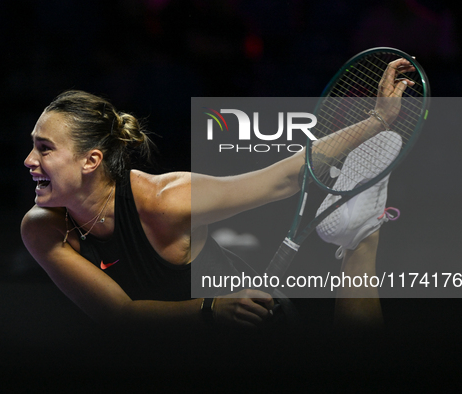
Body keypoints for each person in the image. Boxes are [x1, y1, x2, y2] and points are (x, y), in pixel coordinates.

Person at [21, 58, 414, 332]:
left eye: (45, 148)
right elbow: (119, 316)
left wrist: (377, 120)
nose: (29, 160)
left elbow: (279, 179)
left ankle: (362, 239)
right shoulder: (42, 229)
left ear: (91, 161)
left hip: (257, 328)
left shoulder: (166, 200)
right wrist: (211, 308)